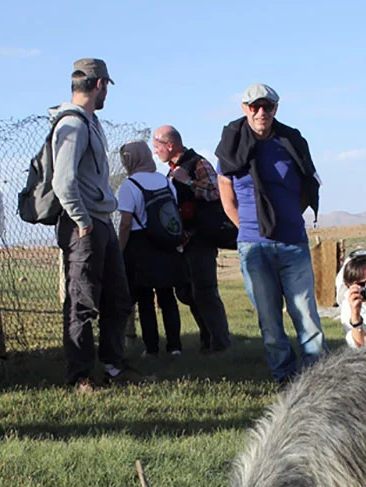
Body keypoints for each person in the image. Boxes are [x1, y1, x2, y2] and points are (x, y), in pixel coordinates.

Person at [215, 83, 325, 385]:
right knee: (270, 320)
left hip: (292, 242)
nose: (261, 112)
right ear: (244, 109)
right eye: (255, 106)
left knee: (306, 316)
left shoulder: (291, 141)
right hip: (254, 246)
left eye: (268, 107)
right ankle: (284, 378)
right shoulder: (231, 148)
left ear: (276, 109)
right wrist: (250, 229)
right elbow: (227, 199)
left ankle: (318, 380)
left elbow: (307, 185)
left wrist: (287, 218)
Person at [50, 58, 146, 393]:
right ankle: (79, 376)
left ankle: (114, 367)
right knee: (82, 303)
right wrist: (82, 221)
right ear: (100, 84)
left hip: (99, 220)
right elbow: (63, 181)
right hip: (86, 225)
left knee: (118, 299)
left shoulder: (90, 122)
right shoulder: (72, 125)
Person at [151, 125, 231, 354]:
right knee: (187, 292)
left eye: (157, 147)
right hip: (183, 241)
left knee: (205, 291)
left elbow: (217, 192)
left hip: (201, 239)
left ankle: (221, 345)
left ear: (170, 145)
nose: (155, 151)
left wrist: (187, 182)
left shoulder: (197, 164)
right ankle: (208, 339)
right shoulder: (173, 170)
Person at [117, 140, 188, 358]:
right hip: (165, 243)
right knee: (167, 297)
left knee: (145, 299)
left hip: (140, 245)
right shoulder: (165, 182)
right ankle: (175, 346)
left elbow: (126, 223)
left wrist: (119, 251)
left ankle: (151, 347)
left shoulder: (129, 186)